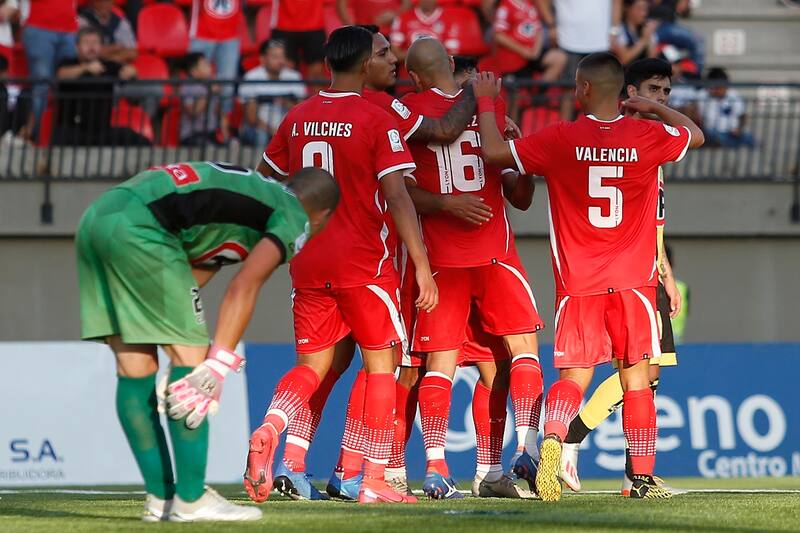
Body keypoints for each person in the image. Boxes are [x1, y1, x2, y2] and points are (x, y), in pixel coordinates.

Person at [475, 52, 703, 500]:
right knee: (637, 380)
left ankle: (554, 440)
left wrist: (486, 102)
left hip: (579, 284)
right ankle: (641, 479)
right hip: (635, 282)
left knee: (573, 379)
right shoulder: (646, 135)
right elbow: (695, 135)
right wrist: (652, 108)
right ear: (621, 92)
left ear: (583, 89)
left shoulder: (560, 138)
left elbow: (494, 153)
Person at [270, 27, 481, 503]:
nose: (394, 61)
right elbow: (439, 138)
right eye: (385, 53)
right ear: (364, 63)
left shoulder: (298, 116)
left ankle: (289, 457)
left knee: (322, 366)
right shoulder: (382, 111)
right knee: (382, 365)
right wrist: (478, 95)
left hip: (310, 260)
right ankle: (362, 473)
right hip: (370, 261)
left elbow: (268, 179)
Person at [77, 162, 338, 522]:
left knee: (135, 366)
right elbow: (244, 285)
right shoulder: (295, 213)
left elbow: (192, 274)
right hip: (144, 227)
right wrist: (216, 361)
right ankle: (191, 498)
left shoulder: (247, 201)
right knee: (195, 368)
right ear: (323, 216)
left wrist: (181, 336)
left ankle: (162, 499)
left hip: (99, 217)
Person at [402, 38, 545, 500]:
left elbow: (401, 191)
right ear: (450, 63)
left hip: (442, 263)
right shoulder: (488, 105)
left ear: (414, 76)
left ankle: (447, 468)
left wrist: (518, 161)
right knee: (521, 354)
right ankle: (526, 449)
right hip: (493, 257)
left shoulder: (405, 108)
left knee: (445, 366)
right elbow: (521, 199)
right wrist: (514, 149)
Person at [558, 57, 685, 496]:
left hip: (645, 270)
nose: (661, 98)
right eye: (653, 90)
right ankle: (573, 439)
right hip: (622, 274)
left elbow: (654, 220)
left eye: (666, 92)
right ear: (629, 93)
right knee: (640, 374)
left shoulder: (649, 143)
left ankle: (632, 473)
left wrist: (666, 272)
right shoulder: (633, 140)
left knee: (649, 375)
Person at [54, 27, 147, 146]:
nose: (91, 47)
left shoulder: (107, 65)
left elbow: (128, 70)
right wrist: (86, 68)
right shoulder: (68, 63)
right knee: (60, 139)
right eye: (86, 42)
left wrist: (132, 71)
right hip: (72, 130)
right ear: (77, 47)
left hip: (102, 132)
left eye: (95, 42)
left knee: (137, 140)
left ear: (101, 47)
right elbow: (61, 74)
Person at [21, 0, 78, 140]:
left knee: (70, 83)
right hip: (40, 27)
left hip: (69, 29)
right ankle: (35, 135)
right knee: (42, 83)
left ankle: (64, 135)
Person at [239, 39, 306, 148]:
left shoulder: (294, 77)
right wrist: (274, 132)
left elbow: (302, 112)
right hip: (260, 129)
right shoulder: (251, 77)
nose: (280, 61)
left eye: (282, 56)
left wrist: (285, 103)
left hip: (288, 129)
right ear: (263, 59)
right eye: (275, 57)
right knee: (261, 136)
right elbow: (251, 118)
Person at [491, 0, 567, 83]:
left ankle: (541, 90)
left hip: (532, 52)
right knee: (517, 89)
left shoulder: (530, 4)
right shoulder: (505, 7)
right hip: (514, 56)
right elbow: (499, 35)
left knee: (559, 59)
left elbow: (538, 29)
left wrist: (535, 51)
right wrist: (523, 51)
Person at [188, 0, 241, 117]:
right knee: (196, 79)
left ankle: (223, 123)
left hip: (230, 33)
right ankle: (195, 123)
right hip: (202, 32)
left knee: (227, 84)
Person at [271, 0, 326, 84]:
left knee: (317, 73)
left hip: (314, 24)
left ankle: (317, 94)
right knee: (286, 73)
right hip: (284, 24)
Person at [697, 67, 755, 148]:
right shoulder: (702, 95)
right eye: (718, 87)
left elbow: (743, 115)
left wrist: (739, 129)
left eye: (724, 87)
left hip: (732, 133)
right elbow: (699, 120)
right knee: (714, 138)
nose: (722, 90)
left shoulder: (733, 94)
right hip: (713, 132)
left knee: (749, 138)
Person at [390, 0, 462, 61]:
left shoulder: (449, 19)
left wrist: (420, 55)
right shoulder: (403, 18)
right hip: (408, 72)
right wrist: (422, 55)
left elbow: (452, 54)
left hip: (436, 71)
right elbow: (395, 54)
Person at [179, 52, 224, 146]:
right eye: (204, 65)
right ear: (194, 72)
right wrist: (209, 92)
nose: (209, 66)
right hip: (192, 135)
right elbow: (194, 111)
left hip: (211, 133)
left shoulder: (211, 83)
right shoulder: (188, 86)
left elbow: (218, 112)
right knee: (210, 148)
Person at [78, 0, 137, 64]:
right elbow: (86, 52)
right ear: (92, 2)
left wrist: (111, 59)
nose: (103, 4)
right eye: (100, 1)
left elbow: (132, 53)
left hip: (116, 65)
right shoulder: (82, 21)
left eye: (107, 1)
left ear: (112, 2)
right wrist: (116, 47)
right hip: (90, 66)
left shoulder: (121, 22)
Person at [610, 0, 658, 65]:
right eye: (639, 8)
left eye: (645, 9)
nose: (643, 13)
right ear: (627, 8)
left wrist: (649, 39)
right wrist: (643, 40)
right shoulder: (619, 29)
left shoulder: (646, 27)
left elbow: (653, 60)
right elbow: (623, 59)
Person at [337, 0, 410, 34]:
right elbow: (341, 5)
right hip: (364, 33)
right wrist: (352, 29)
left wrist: (395, 15)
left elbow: (407, 4)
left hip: (391, 34)